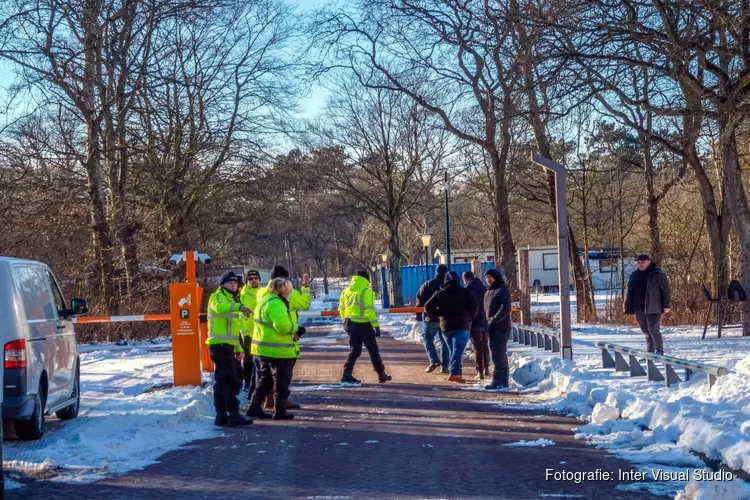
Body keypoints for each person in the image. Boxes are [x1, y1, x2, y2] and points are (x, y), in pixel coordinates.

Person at [247, 278, 306, 420]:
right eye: (289, 290)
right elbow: (282, 326)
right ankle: (280, 410)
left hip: (263, 349)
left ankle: (254, 407)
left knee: (265, 380)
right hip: (278, 349)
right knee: (281, 380)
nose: (290, 292)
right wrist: (298, 328)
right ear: (283, 290)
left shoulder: (265, 300)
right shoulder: (276, 303)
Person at [255, 265, 311, 410]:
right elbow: (305, 305)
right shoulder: (287, 293)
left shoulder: (262, 292)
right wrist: (305, 288)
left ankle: (268, 401)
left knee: (266, 375)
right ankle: (281, 402)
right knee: (283, 375)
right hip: (284, 338)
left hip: (263, 339)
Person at [206, 271, 253, 427]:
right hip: (219, 345)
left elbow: (235, 327)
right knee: (230, 381)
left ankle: (221, 415)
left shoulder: (231, 299)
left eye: (235, 282)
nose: (233, 284)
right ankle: (233, 414)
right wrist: (239, 306)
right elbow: (219, 308)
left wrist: (238, 347)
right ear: (223, 284)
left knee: (222, 381)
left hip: (227, 346)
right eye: (230, 282)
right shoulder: (217, 297)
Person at [339, 271, 392, 384]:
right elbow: (369, 310)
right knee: (373, 350)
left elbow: (341, 308)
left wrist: (345, 321)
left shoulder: (346, 291)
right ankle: (381, 374)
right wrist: (376, 326)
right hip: (363, 326)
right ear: (366, 279)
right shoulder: (366, 291)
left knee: (355, 350)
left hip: (350, 324)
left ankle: (346, 374)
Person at [425, 271, 478, 383]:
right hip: (462, 324)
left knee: (452, 350)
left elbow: (427, 306)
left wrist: (438, 314)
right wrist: (470, 317)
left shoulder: (440, 292)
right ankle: (455, 373)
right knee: (457, 350)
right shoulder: (464, 292)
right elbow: (474, 306)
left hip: (446, 325)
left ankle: (455, 371)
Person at [624, 254, 671, 355]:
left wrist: (666, 304)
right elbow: (629, 291)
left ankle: (659, 352)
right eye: (639, 262)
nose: (641, 264)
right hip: (638, 307)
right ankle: (650, 352)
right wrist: (627, 305)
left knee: (653, 329)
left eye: (643, 262)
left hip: (654, 306)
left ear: (649, 262)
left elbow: (665, 290)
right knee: (645, 330)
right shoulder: (634, 275)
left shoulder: (657, 274)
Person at [416, 264, 451, 373]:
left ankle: (434, 360)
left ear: (436, 272)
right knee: (445, 342)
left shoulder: (427, 285)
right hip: (445, 318)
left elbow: (419, 300)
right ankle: (445, 367)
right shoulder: (449, 285)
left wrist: (418, 316)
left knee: (427, 338)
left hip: (430, 318)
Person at [484, 268, 512, 390]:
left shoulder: (502, 289)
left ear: (496, 277)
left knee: (497, 354)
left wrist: (494, 320)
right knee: (499, 353)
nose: (488, 280)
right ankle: (503, 381)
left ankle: (497, 380)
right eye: (486, 277)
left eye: (490, 277)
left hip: (501, 327)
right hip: (491, 327)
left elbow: (505, 308)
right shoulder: (488, 292)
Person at [463, 271, 490, 380]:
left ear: (465, 279)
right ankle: (487, 368)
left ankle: (480, 371)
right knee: (485, 345)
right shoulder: (484, 288)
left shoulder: (467, 290)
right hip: (485, 320)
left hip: (474, 321)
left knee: (477, 346)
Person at [239, 270, 262, 396]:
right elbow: (240, 317)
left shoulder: (263, 292)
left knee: (261, 360)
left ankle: (258, 384)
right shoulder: (243, 295)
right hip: (248, 333)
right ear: (247, 281)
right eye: (251, 278)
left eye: (256, 278)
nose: (253, 280)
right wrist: (245, 334)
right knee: (248, 360)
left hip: (261, 332)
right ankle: (247, 384)